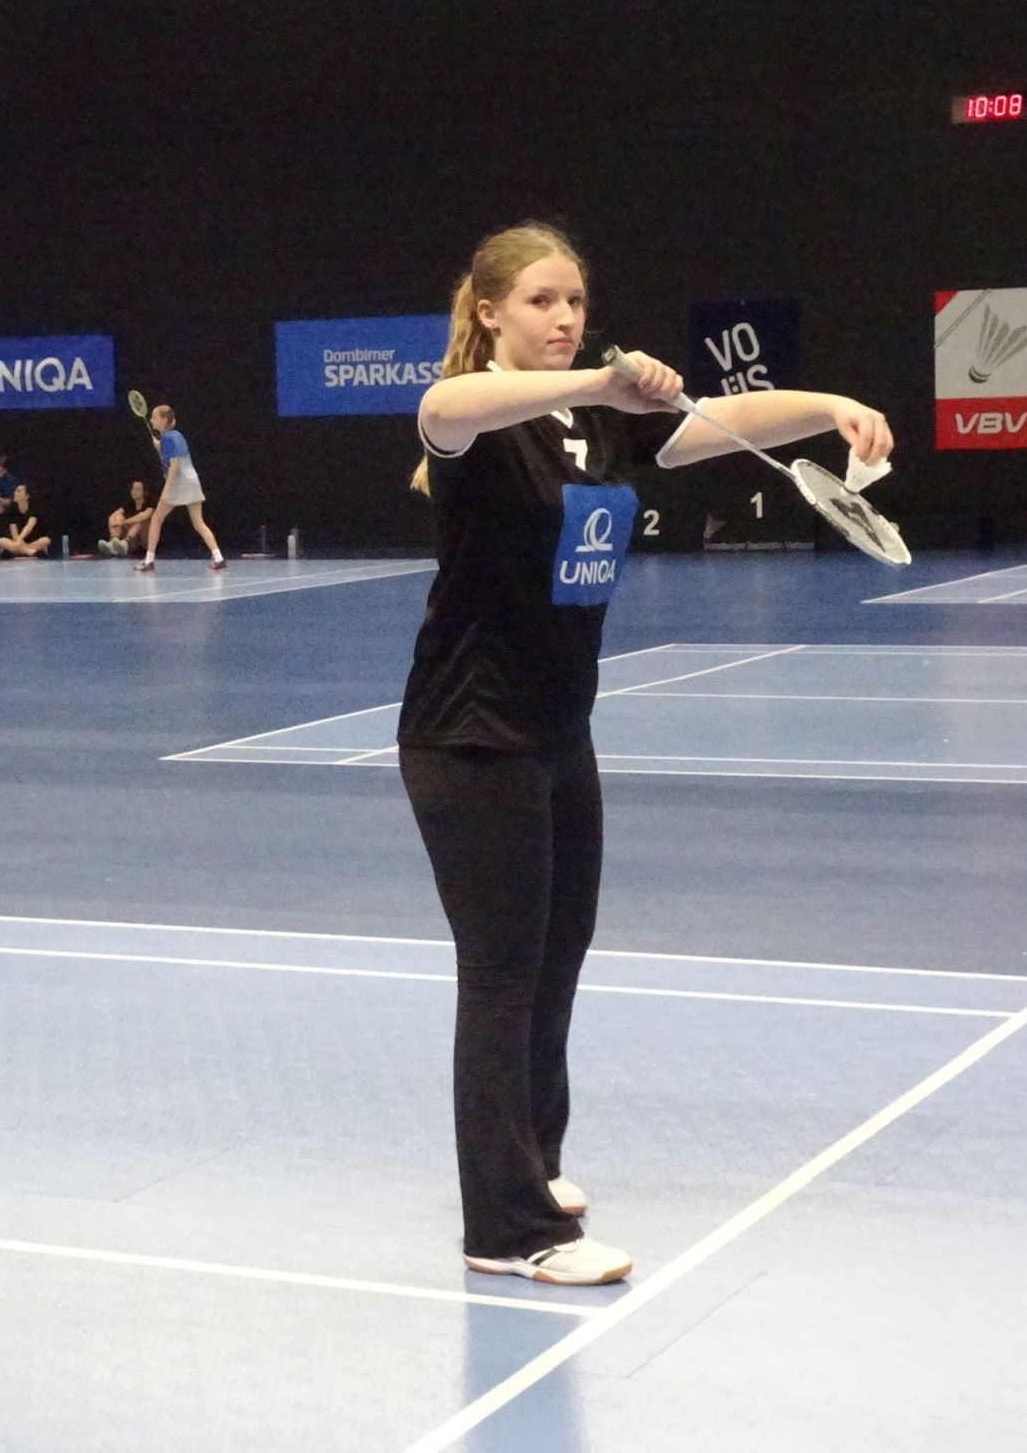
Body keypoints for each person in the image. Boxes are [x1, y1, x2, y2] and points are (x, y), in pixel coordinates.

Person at [398, 222, 893, 1286]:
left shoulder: (594, 422)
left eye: (574, 300)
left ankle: (531, 1158)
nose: (563, 317)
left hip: (556, 727)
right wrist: (595, 378)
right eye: (538, 300)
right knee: (498, 976)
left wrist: (828, 408)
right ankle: (505, 1229)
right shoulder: (478, 418)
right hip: (469, 733)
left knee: (556, 956)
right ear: (488, 311)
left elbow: (716, 424)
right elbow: (441, 407)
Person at [134, 405, 224, 572]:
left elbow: (173, 466)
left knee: (156, 519)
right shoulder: (176, 436)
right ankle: (219, 558)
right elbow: (171, 456)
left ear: (164, 420)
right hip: (192, 480)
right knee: (198, 522)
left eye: (154, 417)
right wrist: (159, 448)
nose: (152, 420)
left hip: (177, 483)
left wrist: (167, 489)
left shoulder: (167, 439)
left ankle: (149, 561)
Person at [101, 479, 156, 556]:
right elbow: (113, 515)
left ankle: (126, 542)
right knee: (118, 517)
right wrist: (113, 521)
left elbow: (144, 515)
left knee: (140, 522)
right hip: (134, 542)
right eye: (132, 489)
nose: (133, 492)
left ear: (144, 492)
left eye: (137, 490)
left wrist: (124, 522)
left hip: (146, 541)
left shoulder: (150, 502)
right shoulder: (129, 504)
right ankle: (112, 543)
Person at [0, 482, 51, 558]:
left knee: (46, 540)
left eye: (19, 491)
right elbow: (14, 532)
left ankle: (18, 552)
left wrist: (19, 542)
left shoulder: (33, 509)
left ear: (27, 496)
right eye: (15, 491)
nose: (15, 493)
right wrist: (18, 541)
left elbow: (29, 527)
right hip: (16, 541)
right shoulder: (12, 509)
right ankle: (30, 552)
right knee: (1, 541)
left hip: (31, 540)